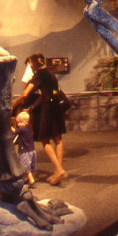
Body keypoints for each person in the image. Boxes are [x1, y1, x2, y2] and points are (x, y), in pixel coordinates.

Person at [13, 53, 68, 185]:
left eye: (31, 63)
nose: (30, 66)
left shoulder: (39, 74)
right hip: (57, 108)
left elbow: (25, 94)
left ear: (36, 62)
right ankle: (57, 171)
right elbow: (45, 94)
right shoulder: (50, 73)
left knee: (44, 139)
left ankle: (59, 170)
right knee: (58, 138)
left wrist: (14, 105)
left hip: (48, 109)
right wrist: (31, 108)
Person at [13, 110, 37, 185]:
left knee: (25, 166)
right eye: (18, 123)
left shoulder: (22, 129)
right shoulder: (29, 127)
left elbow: (14, 131)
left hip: (24, 151)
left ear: (26, 121)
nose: (18, 124)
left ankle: (31, 179)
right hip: (32, 150)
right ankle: (29, 177)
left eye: (20, 122)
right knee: (31, 165)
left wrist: (9, 126)